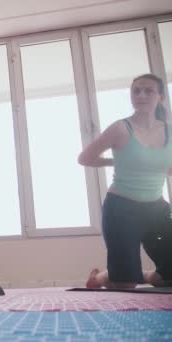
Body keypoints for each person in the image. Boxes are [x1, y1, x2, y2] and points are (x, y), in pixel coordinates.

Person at [78, 73, 172, 289]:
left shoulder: (169, 131)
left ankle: (133, 273)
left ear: (161, 96)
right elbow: (84, 158)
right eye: (136, 90)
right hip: (121, 209)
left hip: (157, 210)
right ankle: (108, 277)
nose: (141, 95)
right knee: (124, 286)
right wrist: (116, 162)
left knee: (168, 279)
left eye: (148, 90)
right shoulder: (120, 128)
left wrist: (154, 167)